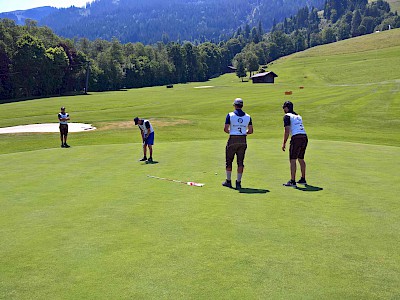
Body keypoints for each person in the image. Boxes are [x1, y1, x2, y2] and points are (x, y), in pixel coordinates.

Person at [222, 98, 253, 189]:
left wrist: (233, 132)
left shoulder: (230, 115)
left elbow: (225, 129)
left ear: (235, 105)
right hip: (243, 139)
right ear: (242, 106)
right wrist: (243, 132)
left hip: (233, 139)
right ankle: (238, 182)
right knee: (240, 162)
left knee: (229, 161)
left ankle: (228, 181)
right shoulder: (248, 116)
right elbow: (250, 131)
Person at [281, 101, 308, 187]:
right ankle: (303, 179)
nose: (283, 110)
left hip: (296, 138)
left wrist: (284, 142)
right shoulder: (298, 116)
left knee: (292, 159)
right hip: (304, 137)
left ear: (287, 108)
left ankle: (292, 181)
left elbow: (287, 130)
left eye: (284, 108)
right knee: (301, 158)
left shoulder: (287, 116)